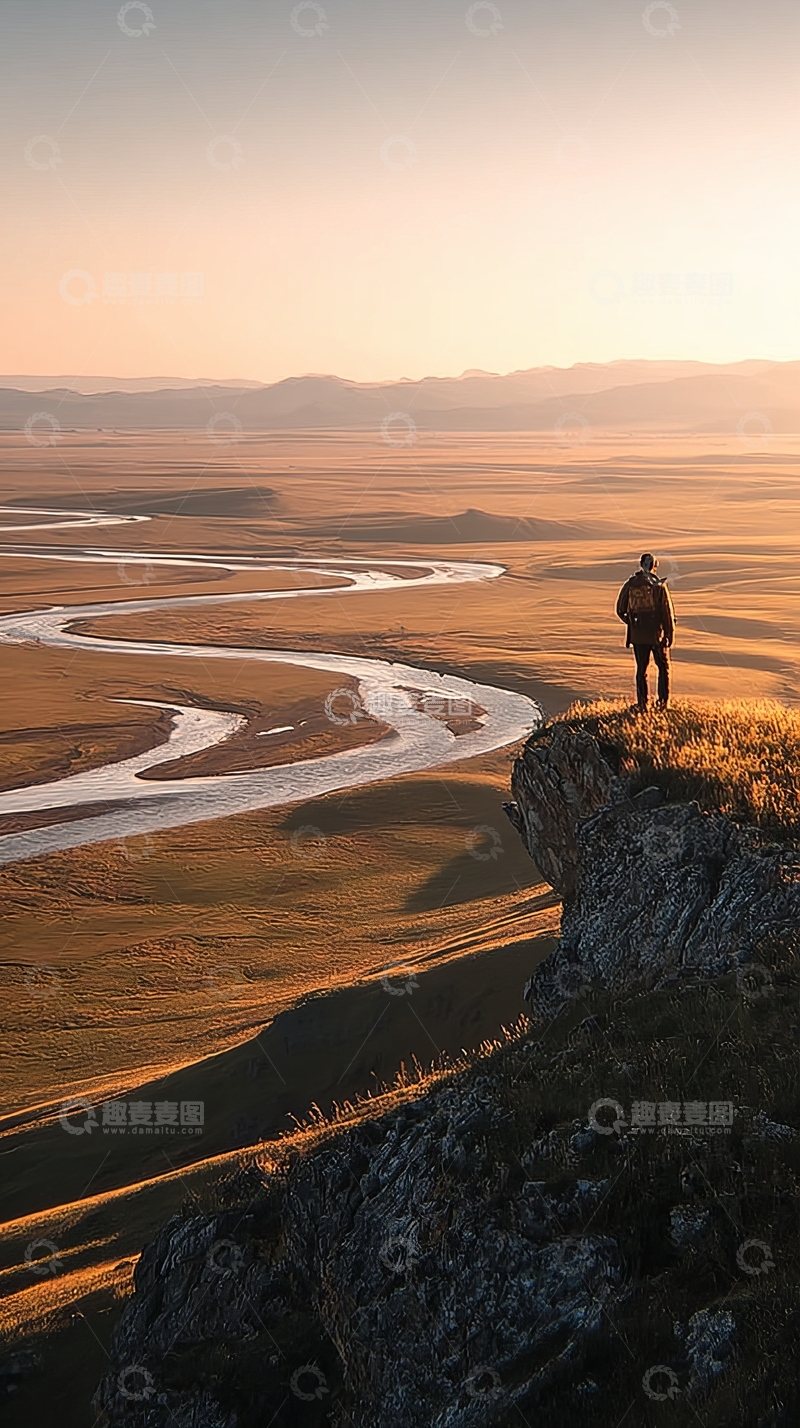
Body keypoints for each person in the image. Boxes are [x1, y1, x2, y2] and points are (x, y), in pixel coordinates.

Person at [616, 553, 676, 710]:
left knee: (641, 669)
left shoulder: (630, 584)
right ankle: (662, 703)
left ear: (640, 564)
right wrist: (669, 633)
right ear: (654, 567)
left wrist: (632, 624)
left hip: (638, 636)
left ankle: (643, 704)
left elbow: (620, 609)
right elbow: (666, 612)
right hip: (657, 634)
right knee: (663, 667)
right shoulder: (659, 586)